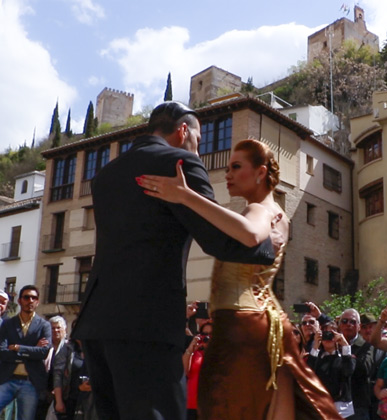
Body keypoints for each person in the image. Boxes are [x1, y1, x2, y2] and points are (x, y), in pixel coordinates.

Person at [72, 102, 275, 420]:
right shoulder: (179, 163)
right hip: (146, 322)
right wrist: (266, 242)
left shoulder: (106, 174)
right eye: (198, 137)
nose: (198, 146)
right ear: (183, 131)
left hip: (97, 321)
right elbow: (218, 240)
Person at [138, 138, 341, 419]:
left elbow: (249, 234)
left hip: (242, 322)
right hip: (259, 320)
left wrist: (185, 195)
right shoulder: (276, 212)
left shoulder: (259, 209)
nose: (227, 173)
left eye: (236, 166)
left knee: (226, 407)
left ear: (260, 173)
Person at [0, 285, 52, 420]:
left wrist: (18, 348)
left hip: (30, 382)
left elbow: (43, 352)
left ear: (38, 302)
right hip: (7, 379)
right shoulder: (8, 324)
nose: (30, 300)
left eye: (34, 298)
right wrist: (32, 350)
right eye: (26, 297)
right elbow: (2, 352)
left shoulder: (44, 325)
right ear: (19, 300)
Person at [308, 322, 356, 417]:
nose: (328, 338)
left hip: (343, 409)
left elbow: (348, 371)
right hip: (321, 406)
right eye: (325, 334)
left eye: (331, 334)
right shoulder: (316, 359)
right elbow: (308, 374)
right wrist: (315, 346)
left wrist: (345, 346)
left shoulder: (346, 357)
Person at [338, 309, 375, 420]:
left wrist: (346, 350)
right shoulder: (332, 344)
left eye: (352, 322)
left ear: (359, 326)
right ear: (340, 325)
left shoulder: (366, 346)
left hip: (357, 405)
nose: (348, 324)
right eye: (344, 321)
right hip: (335, 402)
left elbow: (364, 369)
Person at [52, 339, 94, 420]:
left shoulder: (95, 347)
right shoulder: (67, 347)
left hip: (91, 399)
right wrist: (59, 401)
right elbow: (58, 374)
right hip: (71, 397)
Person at [184, 322, 212, 420]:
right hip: (191, 404)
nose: (207, 337)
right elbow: (184, 371)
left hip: (209, 405)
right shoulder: (195, 353)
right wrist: (190, 350)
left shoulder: (218, 355)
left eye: (210, 334)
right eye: (204, 333)